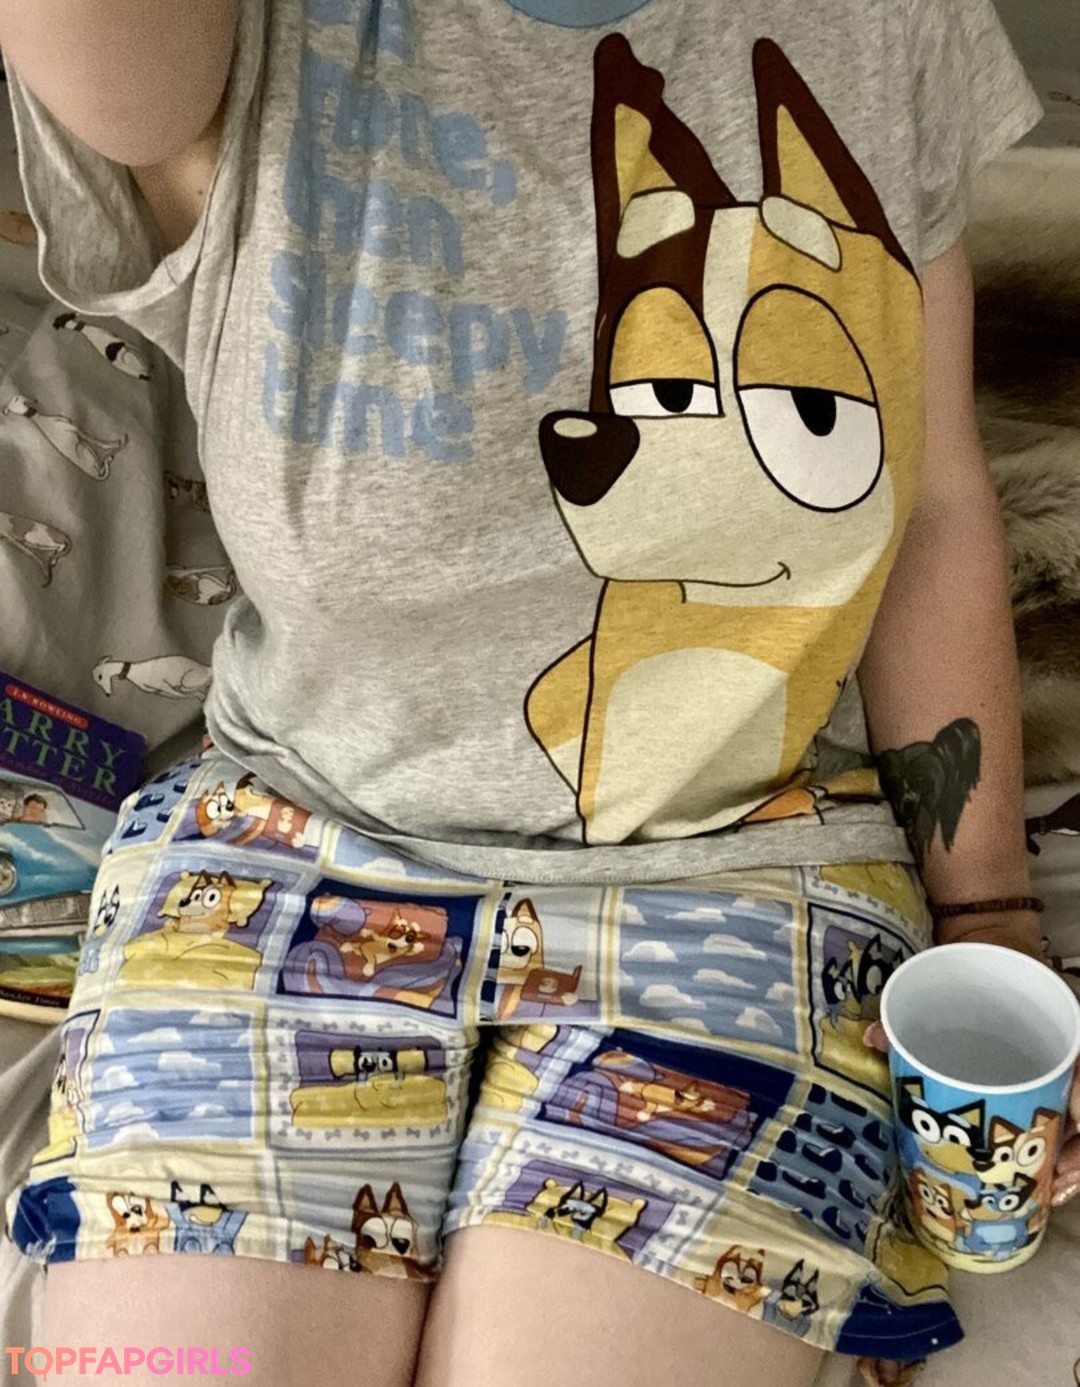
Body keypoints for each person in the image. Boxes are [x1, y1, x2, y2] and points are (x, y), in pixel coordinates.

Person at [1, 3, 1076, 1385]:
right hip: (285, 848)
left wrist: (991, 918)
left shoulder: (886, 23)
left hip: (743, 874)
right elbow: (118, 78)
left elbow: (925, 500)